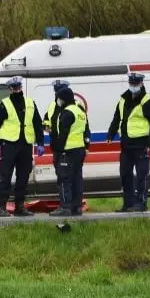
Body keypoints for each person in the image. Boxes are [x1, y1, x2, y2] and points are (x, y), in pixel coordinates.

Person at [0, 76, 45, 217]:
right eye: (14, 88)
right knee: (5, 176)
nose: (17, 90)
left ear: (21, 87)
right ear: (10, 89)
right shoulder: (3, 104)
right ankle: (1, 206)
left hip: (25, 144)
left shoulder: (30, 103)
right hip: (9, 145)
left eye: (18, 87)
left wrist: (40, 143)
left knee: (23, 176)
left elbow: (37, 124)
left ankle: (20, 207)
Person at [106, 72, 150, 212]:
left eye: (136, 84)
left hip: (142, 145)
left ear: (141, 84)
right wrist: (111, 133)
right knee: (125, 175)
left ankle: (141, 203)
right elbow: (117, 118)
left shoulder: (149, 101)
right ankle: (128, 204)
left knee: (141, 176)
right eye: (131, 83)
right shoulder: (123, 100)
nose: (133, 86)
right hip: (126, 145)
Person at [50, 87, 89, 217]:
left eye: (59, 99)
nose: (58, 101)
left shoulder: (67, 113)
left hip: (67, 150)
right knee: (77, 180)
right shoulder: (80, 111)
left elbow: (63, 134)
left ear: (64, 99)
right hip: (79, 149)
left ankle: (65, 207)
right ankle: (76, 207)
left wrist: (56, 148)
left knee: (64, 179)